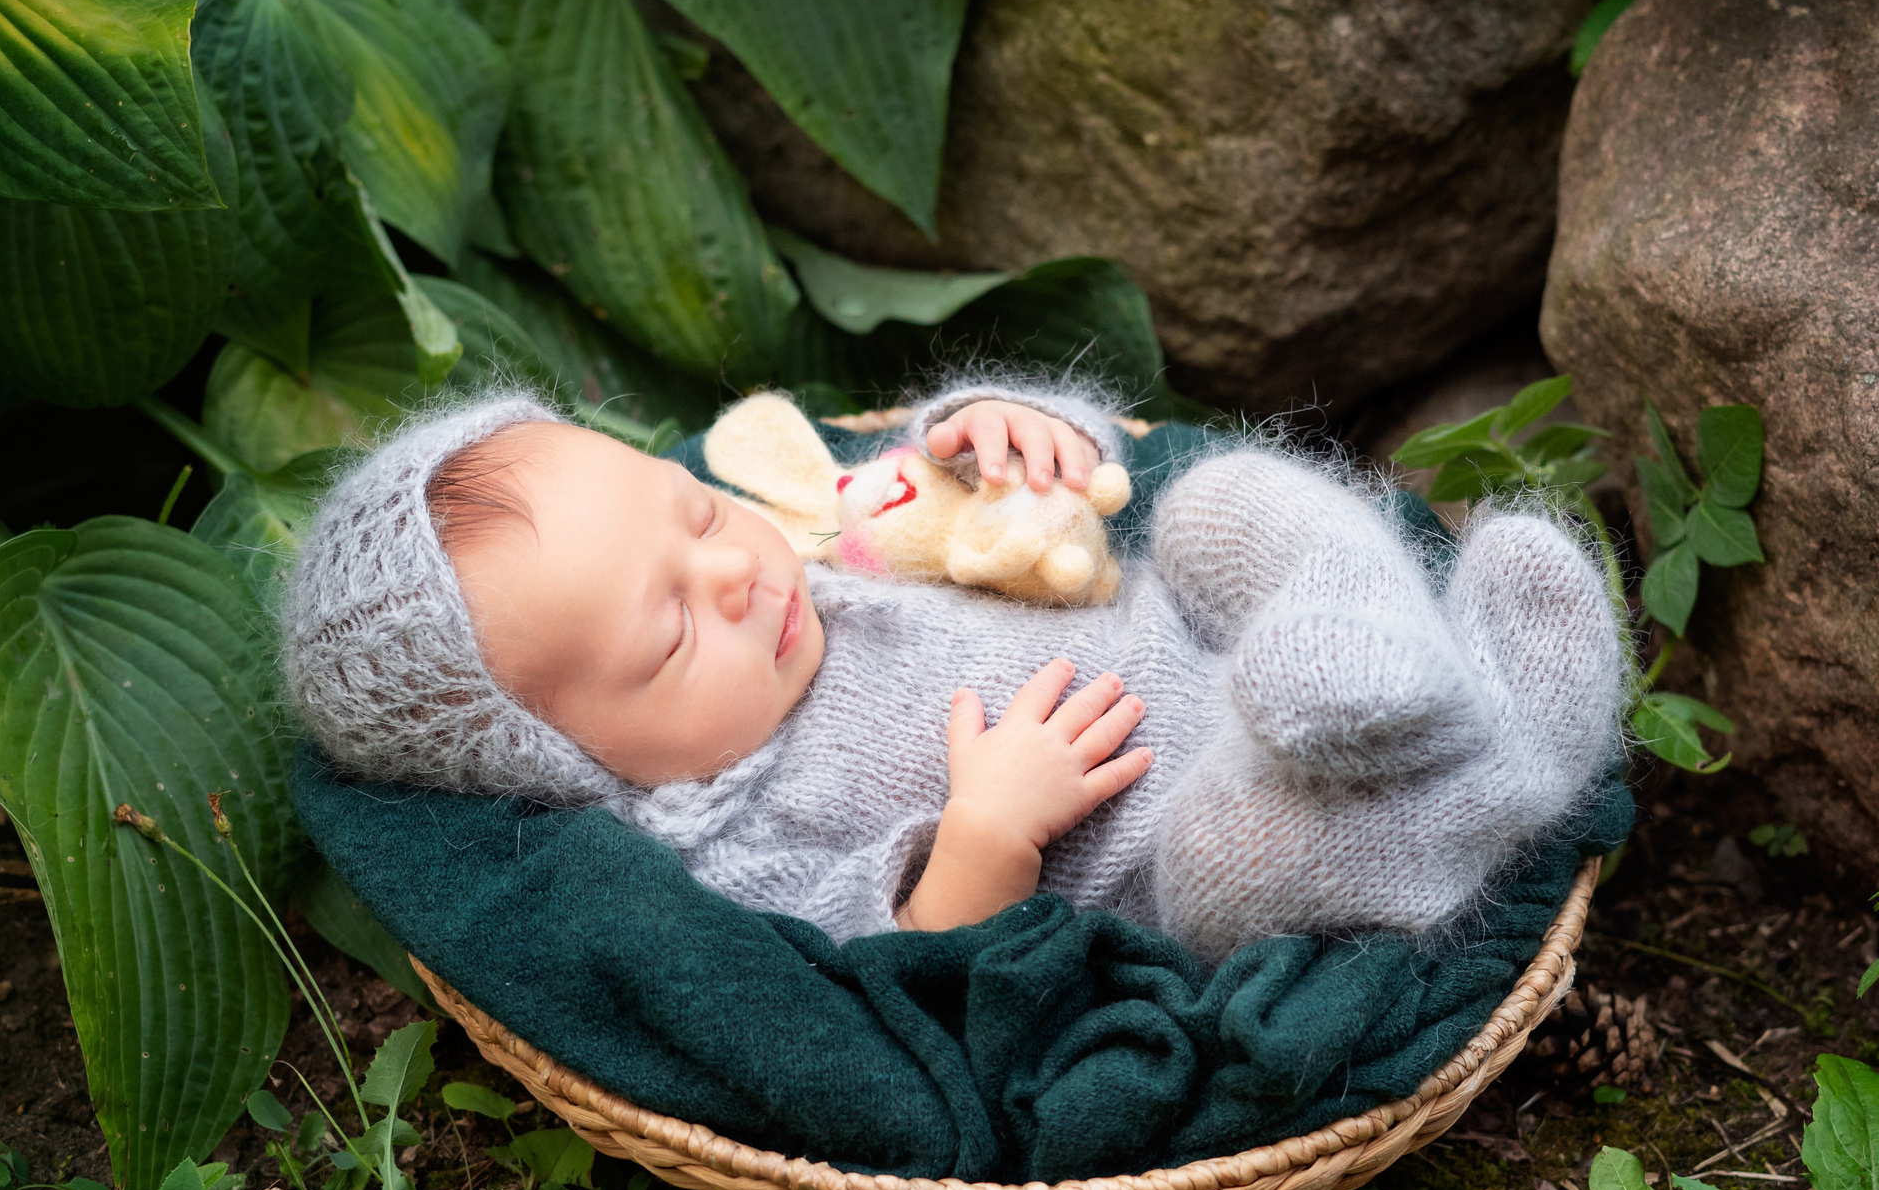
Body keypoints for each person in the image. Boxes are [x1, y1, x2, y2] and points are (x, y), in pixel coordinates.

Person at [280, 379, 1626, 962]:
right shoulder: (725, 837)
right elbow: (899, 958)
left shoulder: (813, 549)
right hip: (1177, 829)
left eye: (692, 514)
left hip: (1221, 639)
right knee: (1234, 856)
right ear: (581, 764)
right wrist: (986, 836)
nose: (737, 575)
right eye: (671, 636)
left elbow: (1008, 491)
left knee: (1214, 504)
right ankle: (1482, 759)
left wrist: (1013, 430)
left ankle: (1386, 658)